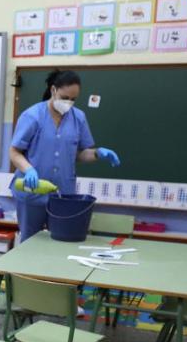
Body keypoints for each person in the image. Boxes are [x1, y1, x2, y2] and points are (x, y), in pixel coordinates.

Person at [9, 69, 120, 241]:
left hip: (63, 195)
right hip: (32, 192)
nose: (68, 103)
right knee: (29, 243)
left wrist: (98, 153)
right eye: (65, 97)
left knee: (62, 242)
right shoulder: (33, 116)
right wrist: (29, 169)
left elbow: (79, 154)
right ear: (53, 90)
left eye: (73, 99)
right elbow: (14, 151)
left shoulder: (79, 118)